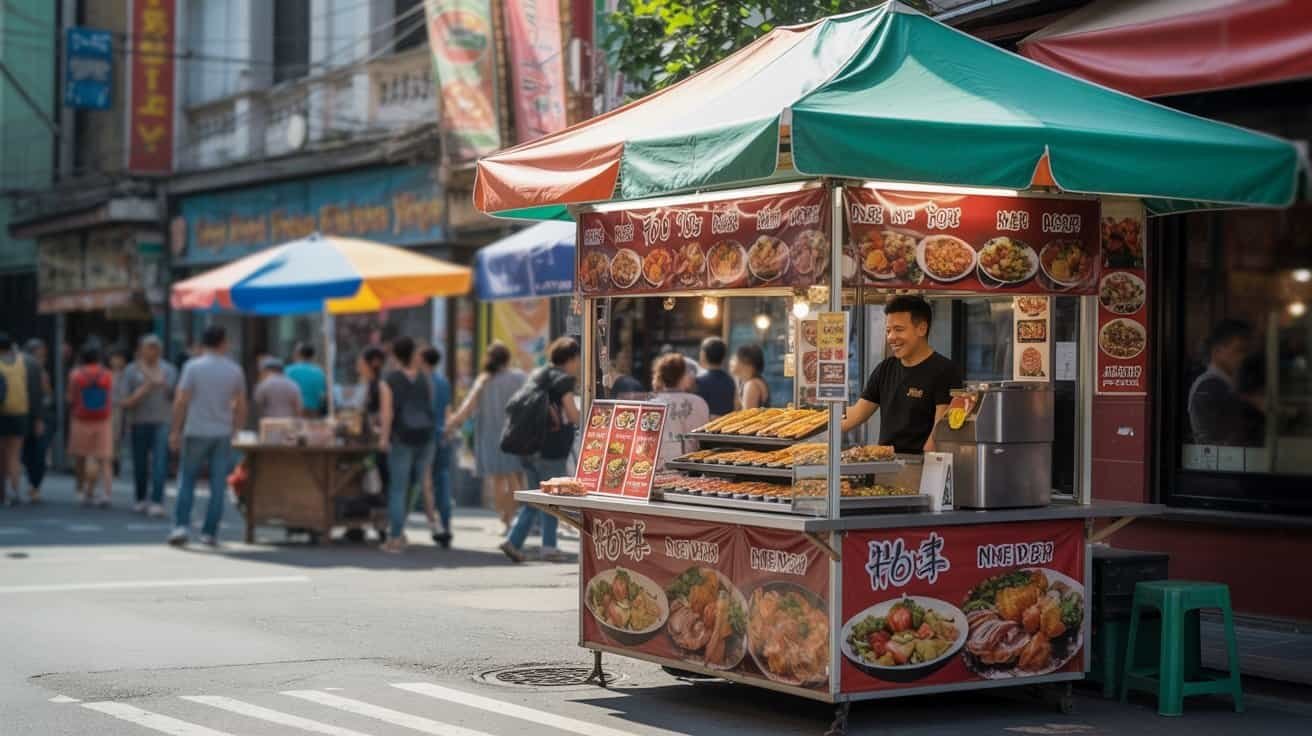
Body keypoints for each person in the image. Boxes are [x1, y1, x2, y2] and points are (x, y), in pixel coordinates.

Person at [842, 296, 964, 453]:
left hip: (921, 466)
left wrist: (925, 470)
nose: (891, 337)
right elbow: (855, 415)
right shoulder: (885, 368)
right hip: (885, 465)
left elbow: (939, 432)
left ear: (922, 328)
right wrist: (815, 421)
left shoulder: (945, 370)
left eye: (898, 329)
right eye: (888, 330)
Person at [501, 338, 581, 563]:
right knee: (550, 498)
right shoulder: (563, 380)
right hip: (551, 448)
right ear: (571, 359)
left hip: (528, 446)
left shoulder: (538, 375)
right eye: (577, 359)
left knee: (536, 498)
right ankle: (545, 546)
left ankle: (517, 540)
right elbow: (572, 414)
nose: (578, 364)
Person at [168, 325, 247, 547]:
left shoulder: (192, 367)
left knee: (187, 479)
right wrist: (237, 430)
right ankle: (210, 532)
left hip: (195, 429)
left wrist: (175, 430)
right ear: (223, 343)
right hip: (222, 432)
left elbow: (181, 400)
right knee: (217, 484)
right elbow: (241, 405)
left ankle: (180, 526)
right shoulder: (234, 370)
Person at [446, 341, 527, 531]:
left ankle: (505, 519)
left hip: (491, 439)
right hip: (516, 436)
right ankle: (515, 518)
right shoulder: (520, 377)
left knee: (498, 481)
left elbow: (467, 408)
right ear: (507, 358)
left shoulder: (484, 380)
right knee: (515, 479)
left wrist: (452, 422)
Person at [377, 337, 436, 554]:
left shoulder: (388, 381)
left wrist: (383, 439)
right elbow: (429, 405)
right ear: (412, 354)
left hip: (401, 438)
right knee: (415, 486)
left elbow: (387, 413)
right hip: (426, 437)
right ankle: (399, 530)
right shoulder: (425, 378)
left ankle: (395, 537)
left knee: (397, 489)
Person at [119, 335, 177, 517]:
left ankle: (157, 500)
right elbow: (124, 400)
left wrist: (162, 383)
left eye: (155, 348)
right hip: (139, 421)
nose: (152, 351)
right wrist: (145, 388)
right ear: (141, 349)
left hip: (162, 421)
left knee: (160, 461)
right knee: (140, 462)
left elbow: (176, 395)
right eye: (148, 347)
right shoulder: (131, 370)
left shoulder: (169, 369)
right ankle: (140, 498)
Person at [1187, 319, 1253, 445]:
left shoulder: (1222, 384)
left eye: (1245, 351)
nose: (1243, 357)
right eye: (1238, 350)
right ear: (1217, 351)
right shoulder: (1210, 386)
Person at [67, 344, 115, 507]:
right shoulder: (108, 374)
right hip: (103, 420)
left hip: (81, 419)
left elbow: (72, 397)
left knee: (81, 457)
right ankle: (106, 493)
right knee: (104, 459)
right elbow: (111, 396)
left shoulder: (76, 375)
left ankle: (82, 490)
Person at [0, 333, 44, 507]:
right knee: (14, 455)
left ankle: (1, 493)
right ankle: (15, 491)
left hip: (1, 413)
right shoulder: (25, 362)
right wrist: (38, 417)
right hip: (20, 414)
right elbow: (34, 392)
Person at [648, 354, 711, 469]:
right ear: (683, 376)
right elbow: (705, 439)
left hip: (659, 467)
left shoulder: (652, 405)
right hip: (693, 466)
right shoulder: (699, 403)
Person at [423, 346, 454, 548]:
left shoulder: (422, 381)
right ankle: (445, 523)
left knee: (426, 482)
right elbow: (448, 411)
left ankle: (434, 525)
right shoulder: (444, 382)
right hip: (443, 434)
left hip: (424, 436)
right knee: (442, 480)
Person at [20, 339, 53, 504]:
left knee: (38, 453)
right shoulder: (23, 368)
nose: (42, 359)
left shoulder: (43, 373)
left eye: (43, 356)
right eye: (39, 356)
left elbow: (47, 396)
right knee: (29, 453)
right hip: (29, 416)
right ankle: (32, 486)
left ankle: (34, 486)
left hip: (39, 416)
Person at [695, 337, 736, 418]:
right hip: (725, 427)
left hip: (704, 427)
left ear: (703, 354)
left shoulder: (698, 382)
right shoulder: (730, 381)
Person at [285, 343, 327, 417]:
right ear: (313, 356)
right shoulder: (319, 372)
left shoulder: (289, 370)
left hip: (294, 411)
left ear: (298, 354)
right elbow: (323, 392)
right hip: (313, 411)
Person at [732, 344, 770, 410]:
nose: (731, 362)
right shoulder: (749, 382)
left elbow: (746, 416)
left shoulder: (751, 385)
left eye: (735, 359)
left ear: (746, 361)